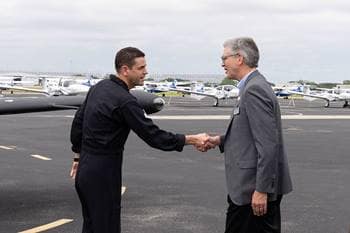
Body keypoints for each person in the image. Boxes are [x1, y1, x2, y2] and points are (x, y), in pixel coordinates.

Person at [69, 47, 209, 233]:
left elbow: (78, 123)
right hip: (104, 173)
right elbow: (154, 136)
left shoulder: (98, 88)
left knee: (91, 226)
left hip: (86, 169)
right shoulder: (125, 101)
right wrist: (191, 139)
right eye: (141, 68)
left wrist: (78, 157)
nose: (146, 72)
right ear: (125, 70)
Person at [207, 37, 293, 233]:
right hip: (249, 188)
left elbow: (268, 145)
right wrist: (220, 140)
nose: (222, 63)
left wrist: (261, 190)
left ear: (239, 58)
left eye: (224, 57)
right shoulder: (251, 86)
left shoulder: (254, 90)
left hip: (252, 189)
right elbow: (248, 135)